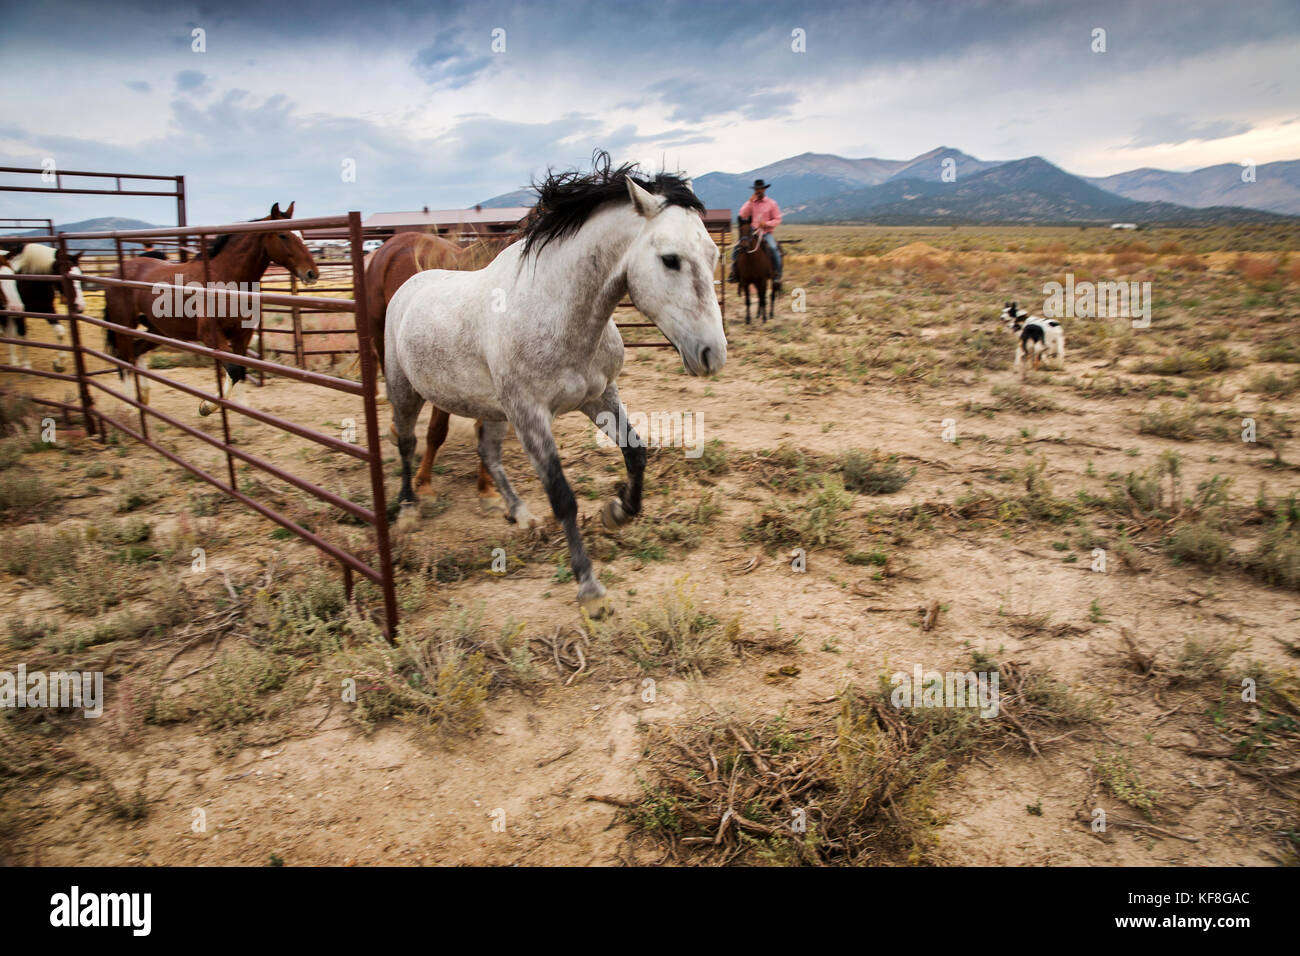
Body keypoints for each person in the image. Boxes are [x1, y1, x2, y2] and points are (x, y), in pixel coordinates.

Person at [728, 178, 782, 291]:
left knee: (773, 248)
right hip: (752, 232)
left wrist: (766, 223)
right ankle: (734, 273)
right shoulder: (752, 203)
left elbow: (777, 219)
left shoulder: (772, 203)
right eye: (757, 189)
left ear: (764, 189)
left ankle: (777, 274)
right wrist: (749, 202)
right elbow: (742, 214)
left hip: (766, 233)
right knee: (737, 248)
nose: (758, 191)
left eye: (760, 189)